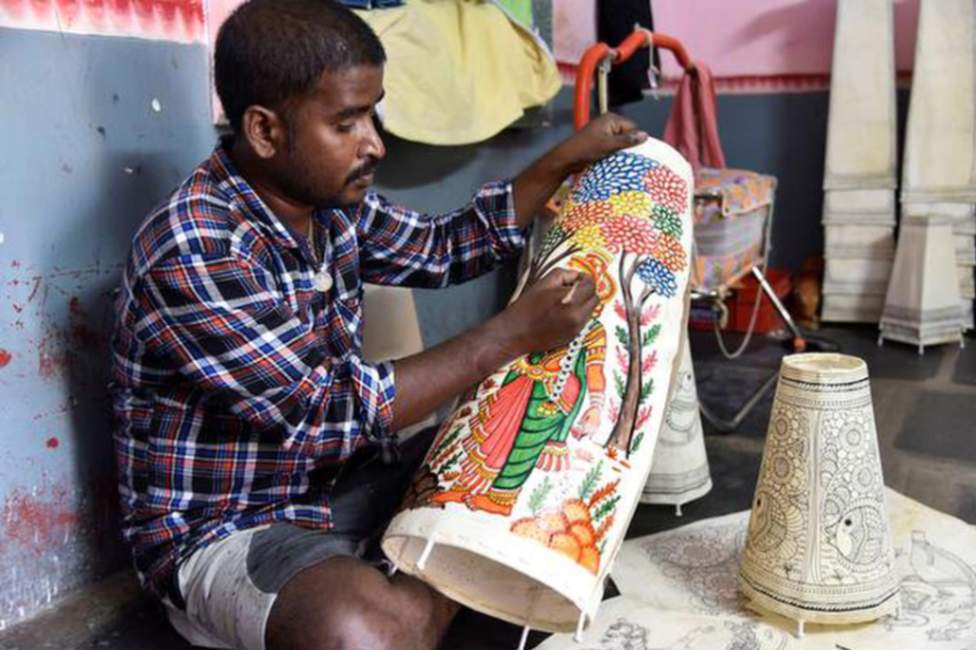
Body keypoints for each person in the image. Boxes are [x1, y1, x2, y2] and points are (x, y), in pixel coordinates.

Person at [109, 0, 647, 648]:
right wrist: (510, 334)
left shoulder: (329, 205)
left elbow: (446, 246)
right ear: (264, 131)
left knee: (547, 461)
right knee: (360, 630)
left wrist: (564, 158)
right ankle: (432, 588)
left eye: (373, 112)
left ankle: (422, 582)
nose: (375, 143)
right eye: (347, 122)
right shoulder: (196, 247)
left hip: (345, 484)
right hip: (229, 527)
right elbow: (320, 415)